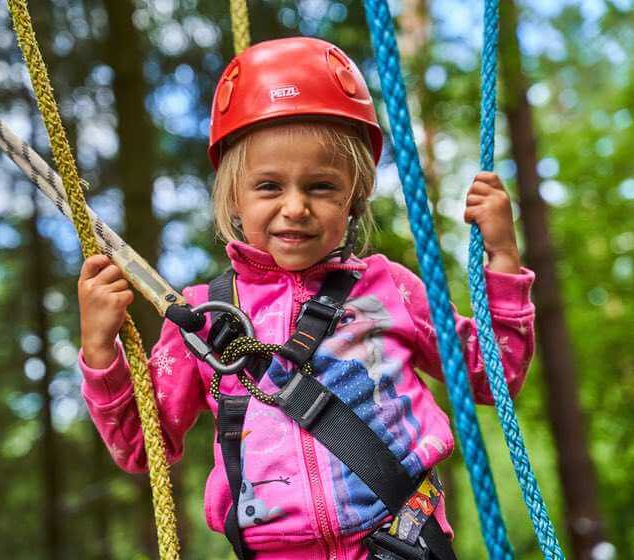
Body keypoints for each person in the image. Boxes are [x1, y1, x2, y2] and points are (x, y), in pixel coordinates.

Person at [78, 37, 535, 560]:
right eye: (269, 187)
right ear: (234, 196)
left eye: (320, 187)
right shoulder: (203, 318)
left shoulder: (387, 289)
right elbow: (142, 446)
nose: (295, 207)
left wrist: (500, 256)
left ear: (354, 196)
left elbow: (494, 373)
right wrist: (100, 351)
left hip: (397, 544)